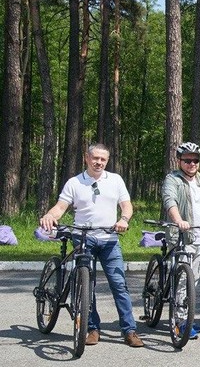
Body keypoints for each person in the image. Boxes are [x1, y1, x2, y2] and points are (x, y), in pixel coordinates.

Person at [39, 143, 144, 347]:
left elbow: (126, 205)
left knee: (119, 285)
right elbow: (61, 207)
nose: (99, 162)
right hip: (82, 237)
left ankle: (129, 330)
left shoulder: (115, 180)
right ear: (86, 158)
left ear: (107, 161)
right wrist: (49, 215)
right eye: (95, 158)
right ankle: (92, 328)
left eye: (103, 159)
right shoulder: (75, 182)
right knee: (87, 284)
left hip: (109, 239)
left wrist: (124, 219)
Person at [160, 141, 200, 339]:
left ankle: (186, 317)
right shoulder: (173, 179)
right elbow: (170, 201)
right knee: (184, 280)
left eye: (195, 160)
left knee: (194, 280)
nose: (192, 164)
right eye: (187, 160)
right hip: (182, 237)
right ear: (179, 161)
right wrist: (178, 221)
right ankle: (180, 322)